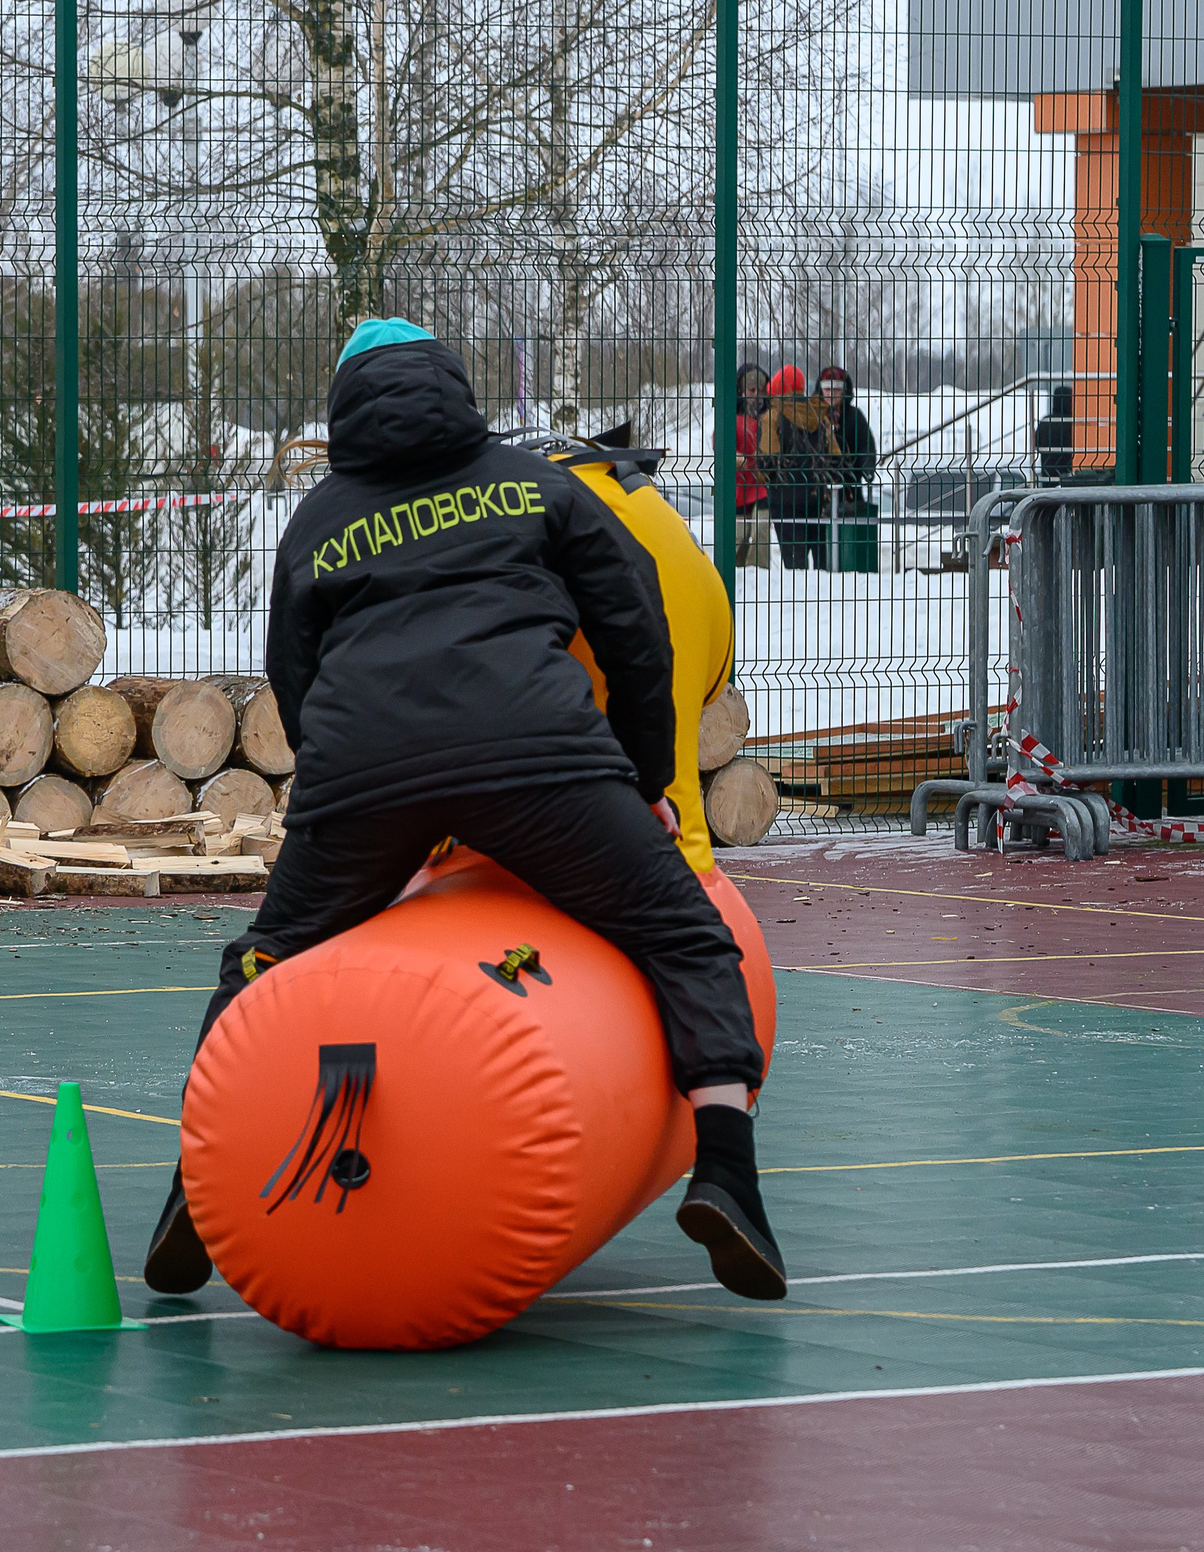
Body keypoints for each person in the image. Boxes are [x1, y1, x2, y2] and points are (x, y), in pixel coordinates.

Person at [142, 319, 782, 1302]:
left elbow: (294, 675)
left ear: (344, 404)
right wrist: (642, 778)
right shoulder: (537, 482)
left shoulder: (319, 516)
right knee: (685, 936)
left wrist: (350, 798)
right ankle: (727, 1174)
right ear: (452, 386)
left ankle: (195, 1177)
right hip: (537, 754)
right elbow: (634, 626)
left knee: (267, 953)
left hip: (364, 768)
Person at [758, 365, 840, 574]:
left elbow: (766, 462)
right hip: (817, 495)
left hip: (784, 499)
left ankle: (798, 603)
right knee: (821, 563)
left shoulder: (773, 416)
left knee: (795, 564)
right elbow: (836, 456)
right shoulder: (818, 414)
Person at [815, 365, 878, 574]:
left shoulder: (854, 416)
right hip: (817, 490)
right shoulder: (811, 415)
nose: (831, 394)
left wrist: (867, 468)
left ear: (844, 391)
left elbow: (865, 445)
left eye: (836, 389)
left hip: (848, 488)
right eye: (827, 388)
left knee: (847, 542)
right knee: (820, 545)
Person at [726, 363, 771, 569]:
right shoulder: (730, 418)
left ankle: (760, 574)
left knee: (761, 532)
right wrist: (738, 459)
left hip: (761, 486)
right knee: (738, 538)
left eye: (762, 390)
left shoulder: (769, 418)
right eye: (752, 390)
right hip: (738, 487)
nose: (757, 395)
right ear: (741, 391)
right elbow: (722, 448)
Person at [1034, 384, 1076, 484]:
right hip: (1068, 476)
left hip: (1048, 474)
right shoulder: (1072, 423)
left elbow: (1036, 444)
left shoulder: (1046, 421)